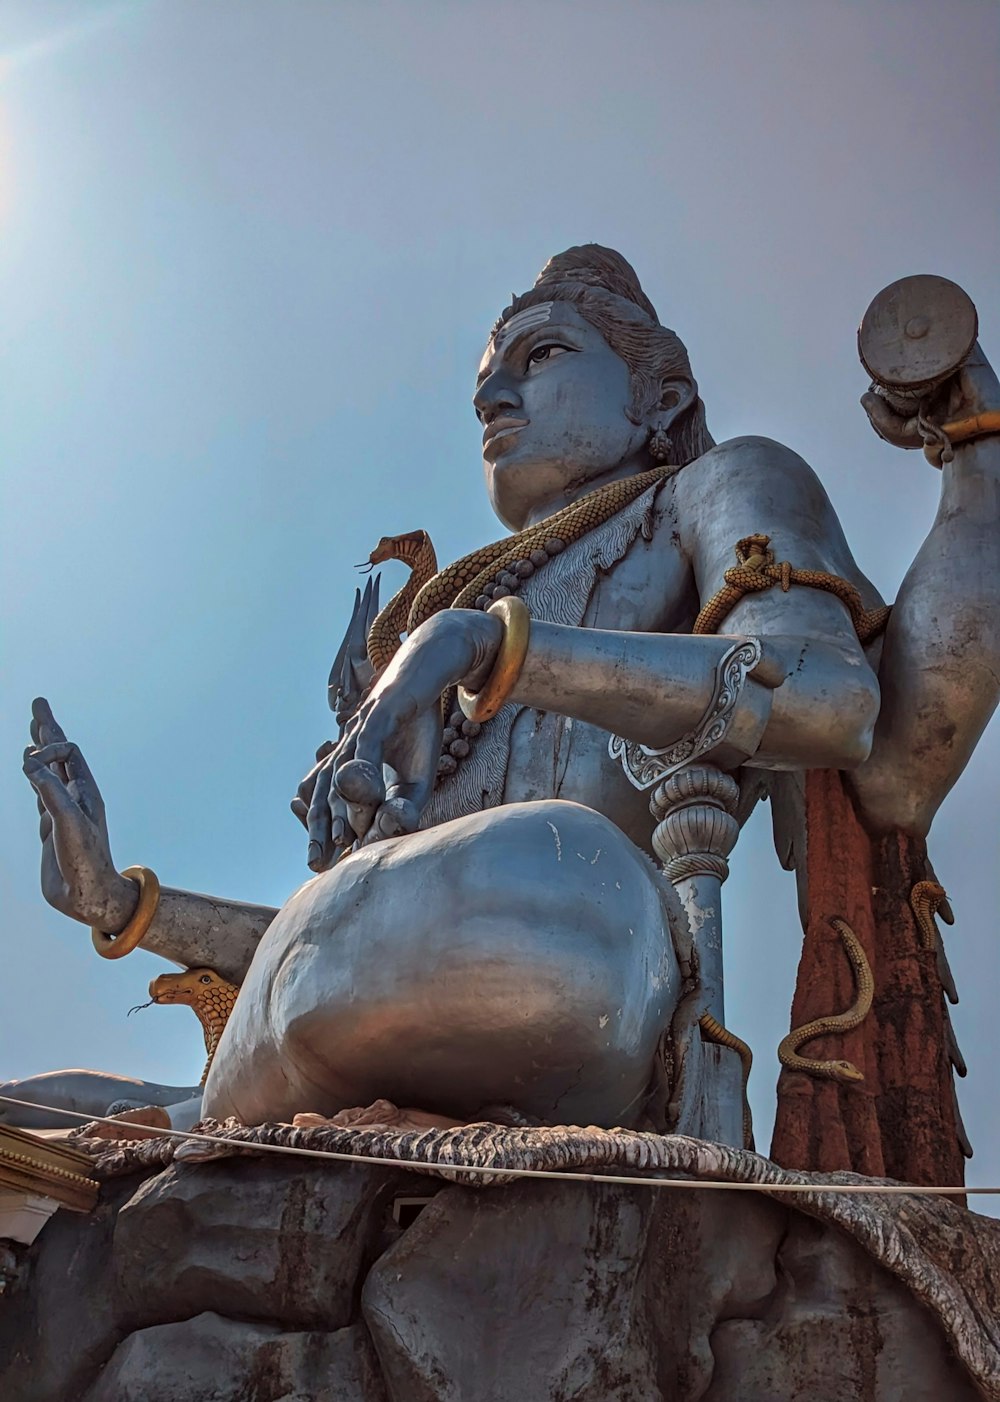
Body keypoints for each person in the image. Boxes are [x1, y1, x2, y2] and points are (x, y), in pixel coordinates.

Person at [22, 247, 998, 1153]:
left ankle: (200, 1133)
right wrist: (126, 905)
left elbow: (840, 712)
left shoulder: (708, 490)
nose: (492, 393)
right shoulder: (453, 625)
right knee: (34, 1111)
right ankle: (190, 1132)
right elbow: (338, 936)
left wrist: (976, 454)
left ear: (657, 398)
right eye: (486, 375)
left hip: (591, 965)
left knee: (524, 869)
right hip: (386, 994)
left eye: (540, 355)